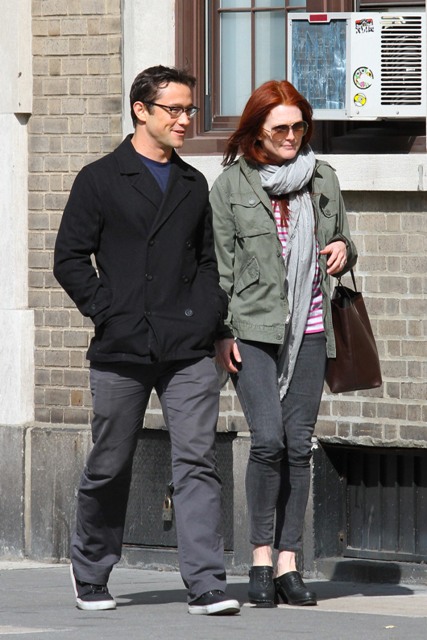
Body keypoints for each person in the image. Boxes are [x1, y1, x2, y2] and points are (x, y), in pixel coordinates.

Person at [53, 65, 240, 616]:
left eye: (190, 110)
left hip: (187, 347)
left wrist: (210, 319)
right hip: (123, 346)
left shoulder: (192, 184)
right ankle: (91, 571)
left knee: (197, 460)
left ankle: (206, 583)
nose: (185, 120)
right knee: (110, 462)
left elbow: (207, 262)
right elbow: (69, 258)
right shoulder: (100, 178)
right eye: (174, 109)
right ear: (141, 110)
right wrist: (108, 311)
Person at [210, 80, 357, 608]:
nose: (292, 136)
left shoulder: (322, 178)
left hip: (312, 327)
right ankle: (258, 557)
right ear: (256, 132)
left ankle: (288, 563)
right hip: (253, 331)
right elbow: (218, 269)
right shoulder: (230, 187)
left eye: (299, 126)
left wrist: (344, 247)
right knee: (268, 441)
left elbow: (342, 238)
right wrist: (220, 333)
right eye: (281, 129)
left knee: (299, 445)